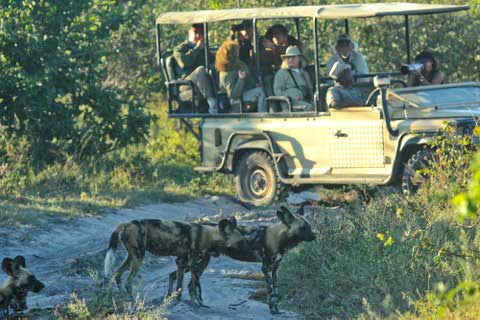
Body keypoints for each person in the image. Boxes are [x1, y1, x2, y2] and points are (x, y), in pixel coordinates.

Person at [173, 24, 218, 114]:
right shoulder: (181, 48)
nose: (198, 36)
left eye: (201, 33)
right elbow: (184, 63)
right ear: (190, 33)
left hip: (202, 85)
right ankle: (212, 103)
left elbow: (212, 61)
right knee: (200, 70)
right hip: (186, 84)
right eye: (196, 32)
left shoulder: (203, 49)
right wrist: (197, 49)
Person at [216, 40, 266, 113]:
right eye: (236, 51)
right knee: (260, 92)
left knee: (261, 88)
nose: (238, 53)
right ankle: (262, 115)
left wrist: (254, 84)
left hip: (244, 92)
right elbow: (233, 95)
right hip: (234, 101)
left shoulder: (238, 63)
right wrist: (241, 79)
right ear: (231, 53)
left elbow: (248, 77)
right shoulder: (226, 71)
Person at [260, 24, 304, 96]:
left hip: (296, 73)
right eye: (273, 35)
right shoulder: (274, 48)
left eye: (278, 34)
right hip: (283, 77)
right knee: (268, 79)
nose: (275, 37)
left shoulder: (293, 44)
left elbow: (291, 52)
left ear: (285, 35)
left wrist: (274, 47)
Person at [273, 46, 314, 112]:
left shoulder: (304, 72)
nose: (290, 60)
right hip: (289, 104)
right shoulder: (281, 73)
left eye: (293, 57)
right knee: (309, 108)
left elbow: (310, 89)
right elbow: (277, 91)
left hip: (305, 100)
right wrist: (292, 96)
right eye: (288, 57)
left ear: (299, 58)